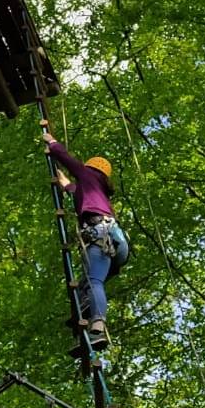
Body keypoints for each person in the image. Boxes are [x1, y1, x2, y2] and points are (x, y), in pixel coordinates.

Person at [42, 132, 130, 350]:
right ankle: (85, 314)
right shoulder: (95, 189)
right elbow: (76, 190)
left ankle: (97, 326)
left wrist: (52, 143)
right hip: (117, 242)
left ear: (91, 168)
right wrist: (65, 184)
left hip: (99, 234)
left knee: (93, 282)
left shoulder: (88, 174)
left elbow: (69, 161)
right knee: (86, 286)